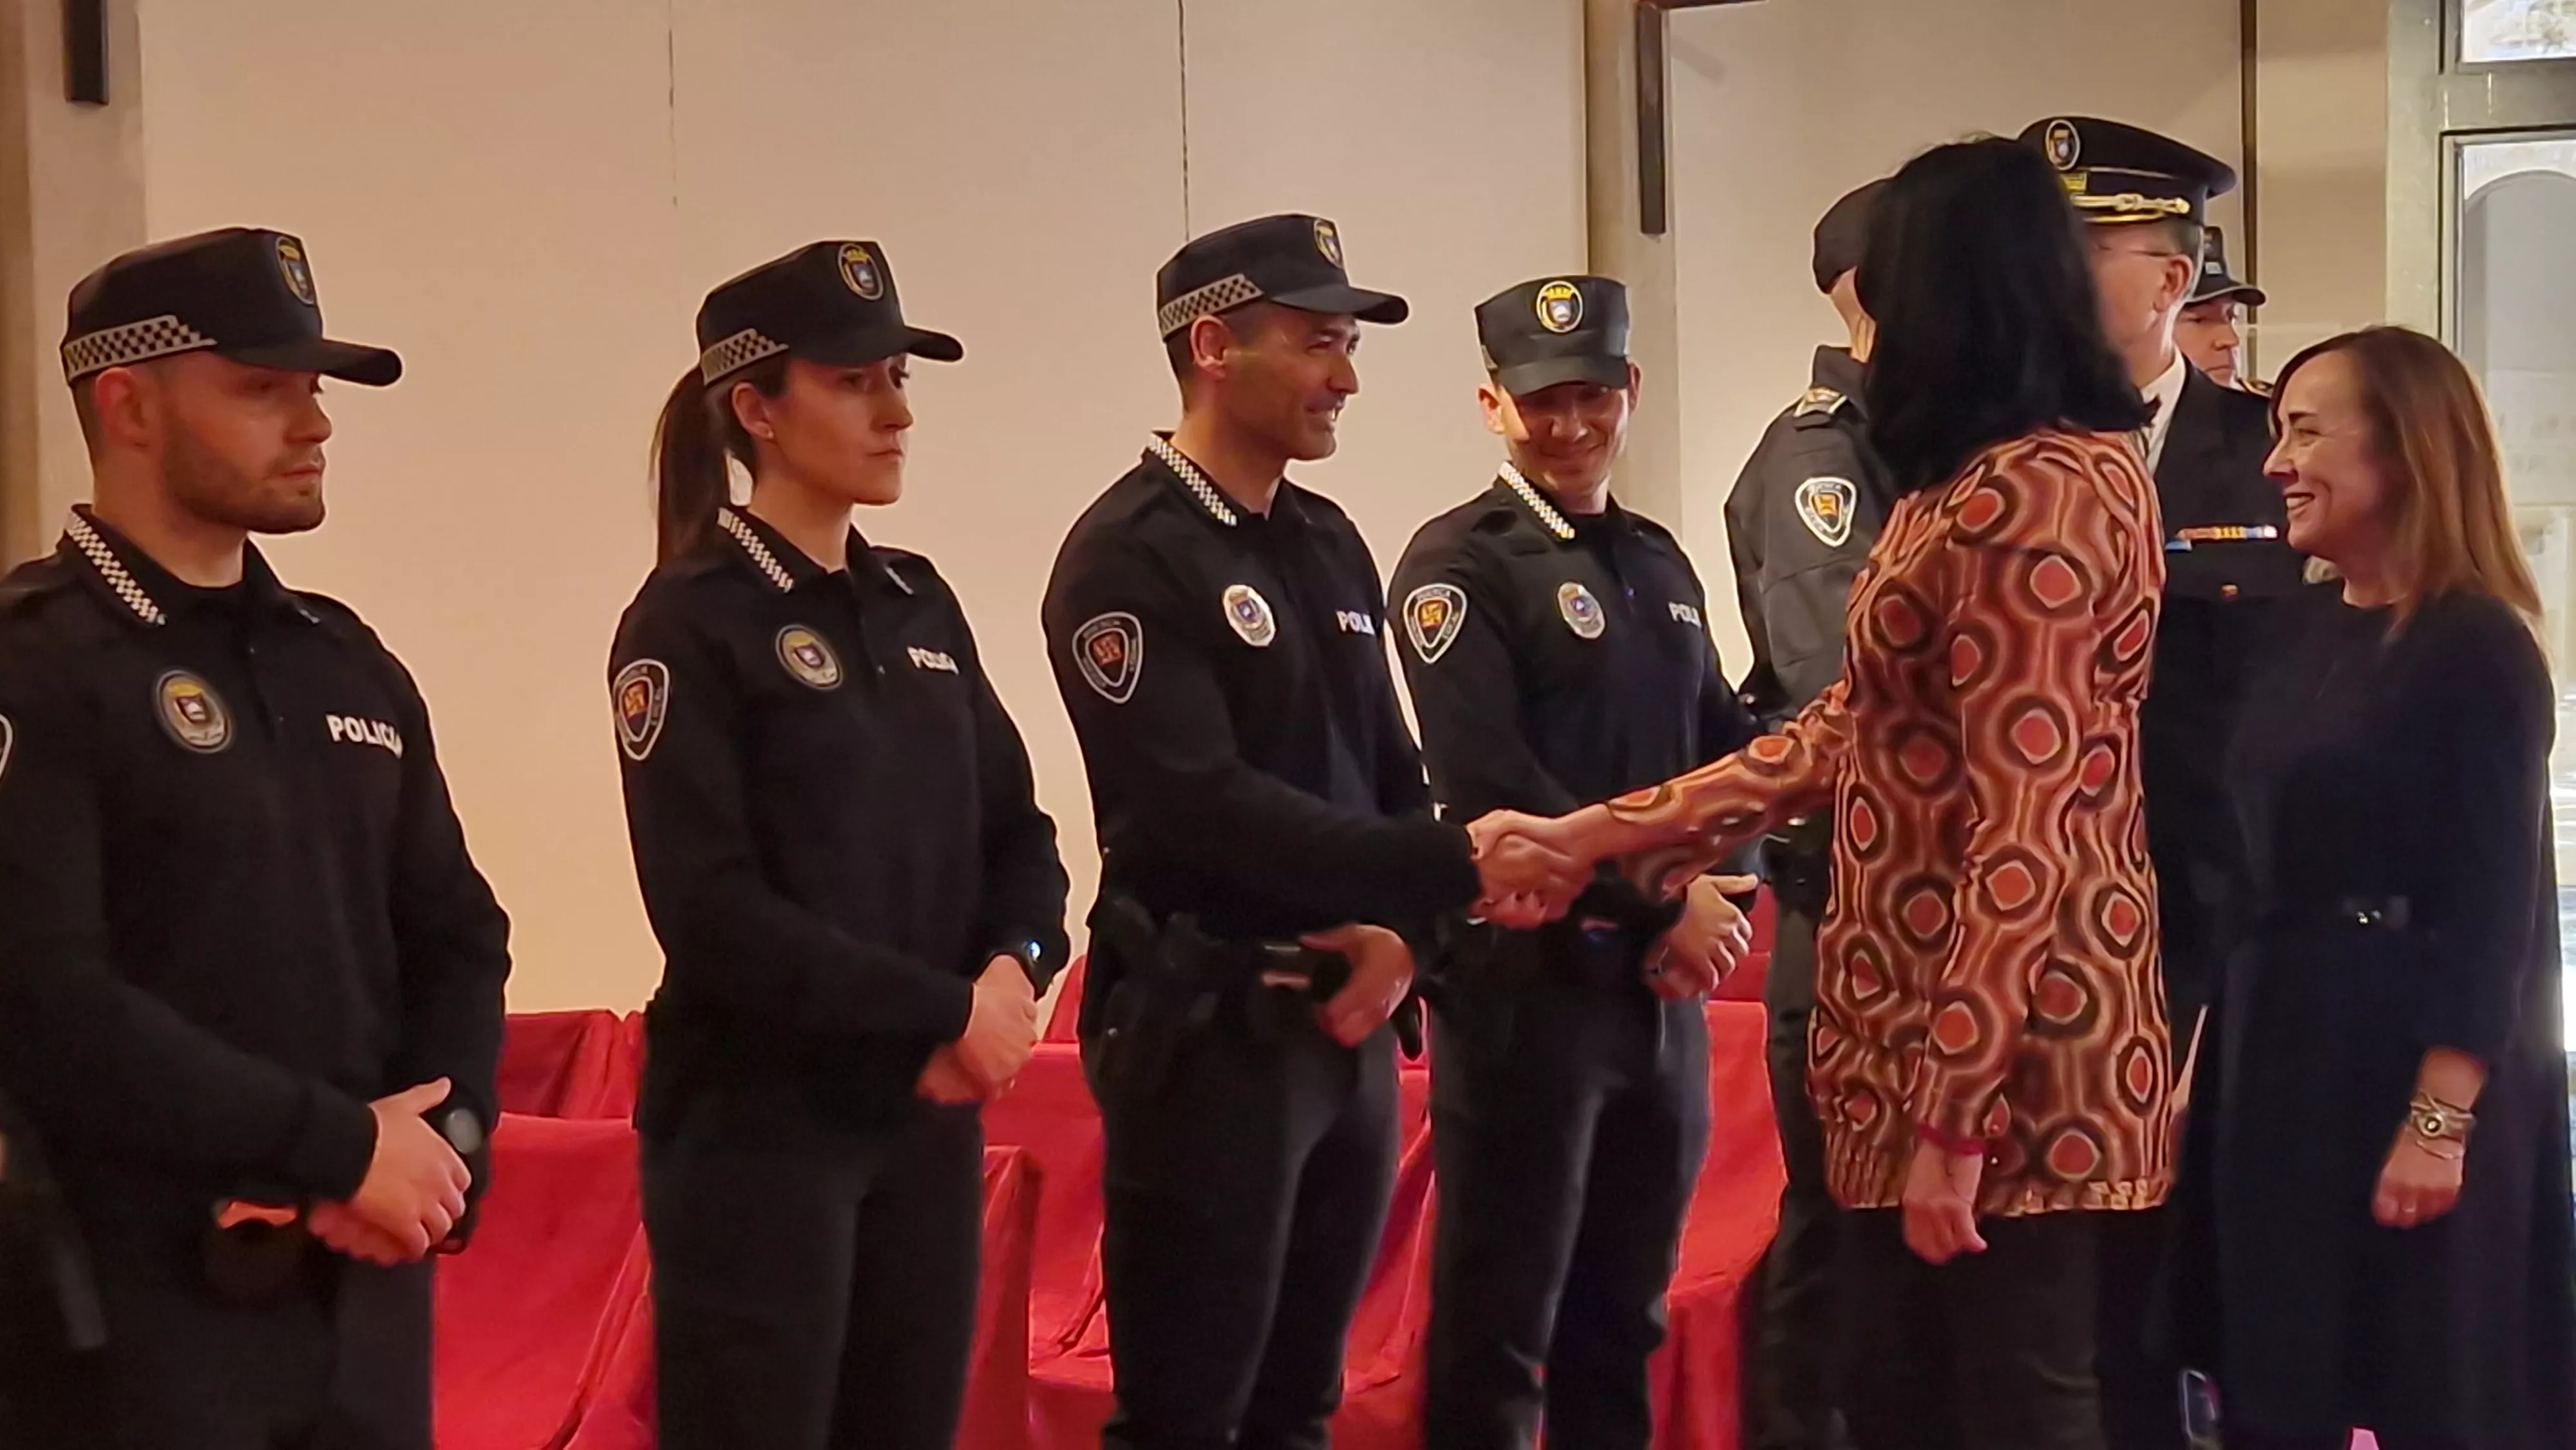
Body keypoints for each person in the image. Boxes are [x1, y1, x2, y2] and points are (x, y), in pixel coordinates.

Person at [1504, 137, 2168, 1450]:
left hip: (2006, 1070)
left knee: (2002, 1403)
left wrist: (1955, 1117)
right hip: (1924, 1034)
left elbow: (2021, 830)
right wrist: (1597, 832)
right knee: (1901, 1395)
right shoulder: (1981, 480)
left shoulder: (2030, 491)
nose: (1862, 327)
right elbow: (1839, 733)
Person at [1040, 213, 1584, 1450]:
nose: (1346, 376)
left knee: (1301, 1407)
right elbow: (1203, 803)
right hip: (1208, 1030)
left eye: (1350, 345)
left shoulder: (1326, 538)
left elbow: (1393, 770)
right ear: (1216, 345)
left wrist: (1411, 936)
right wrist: (1451, 862)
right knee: (1190, 1411)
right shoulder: (1128, 556)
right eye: (1318, 343)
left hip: (1344, 1025)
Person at [0, 227, 512, 1450]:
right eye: (261, 388)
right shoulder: (40, 658)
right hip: (139, 1320)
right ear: (126, 403)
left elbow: (457, 932)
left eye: (315, 390)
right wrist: (334, 1149)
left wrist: (436, 1153)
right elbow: (47, 996)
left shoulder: (343, 657)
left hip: (364, 1298)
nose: (314, 422)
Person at [607, 240, 1069, 1450]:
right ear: (757, 407)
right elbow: (710, 911)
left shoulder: (917, 601)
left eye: (899, 379)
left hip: (923, 1119)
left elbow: (1020, 834)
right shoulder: (691, 620)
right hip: (764, 1133)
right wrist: (934, 1013)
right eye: (858, 382)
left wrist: (1013, 971)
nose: (897, 411)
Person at [2166, 326, 2575, 1450]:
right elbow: (2251, 864)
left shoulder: (2476, 645)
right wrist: (2202, 1066)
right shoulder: (2295, 626)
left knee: (2426, 1382)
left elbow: (2493, 912)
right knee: (2273, 1375)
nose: (2273, 463)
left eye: (2305, 431)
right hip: (2277, 1047)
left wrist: (2438, 1123)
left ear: (2403, 451)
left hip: (2404, 1061)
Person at [1392, 274, 1759, 1450]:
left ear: (1630, 391)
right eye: (1541, 401)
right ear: (1493, 403)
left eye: (1593, 394)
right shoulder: (1459, 564)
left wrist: (1724, 880)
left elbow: (1725, 755)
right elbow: (1493, 785)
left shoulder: (1660, 562)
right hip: (1526, 996)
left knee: (1628, 1316)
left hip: (1658, 1006)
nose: (1570, 425)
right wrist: (1664, 905)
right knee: (1502, 1324)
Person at [2020, 115, 2309, 1450]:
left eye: (2086, 249)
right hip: (2044, 935)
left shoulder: (2268, 457)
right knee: (2071, 1305)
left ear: (2168, 276)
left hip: (2227, 931)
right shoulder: (1991, 458)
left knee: (2239, 1289)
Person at [1723, 177, 1896, 1450]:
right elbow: (1848, 677)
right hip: (1847, 905)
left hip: (1914, 909)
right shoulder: (1824, 449)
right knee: (1839, 1233)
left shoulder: (1930, 431)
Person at [2174, 226, 2266, 391]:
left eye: (2231, 318)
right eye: (2200, 320)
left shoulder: (2266, 411)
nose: (2231, 340)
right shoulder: (2123, 414)